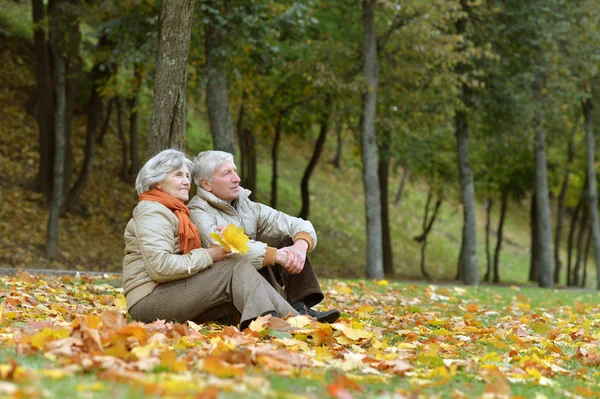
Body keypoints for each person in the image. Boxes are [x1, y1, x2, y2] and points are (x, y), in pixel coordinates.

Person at [122, 149, 299, 330]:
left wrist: (219, 243)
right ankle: (277, 325)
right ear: (158, 182)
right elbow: (160, 267)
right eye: (178, 175)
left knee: (240, 272)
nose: (186, 181)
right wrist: (209, 255)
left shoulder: (175, 212)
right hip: (148, 301)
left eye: (187, 175)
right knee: (234, 267)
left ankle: (293, 320)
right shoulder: (153, 211)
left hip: (169, 291)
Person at [188, 150, 340, 324]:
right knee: (249, 259)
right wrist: (278, 256)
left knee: (289, 239)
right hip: (227, 290)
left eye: (235, 171)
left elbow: (295, 224)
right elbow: (230, 251)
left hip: (254, 277)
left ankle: (300, 308)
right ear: (206, 184)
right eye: (226, 173)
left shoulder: (247, 207)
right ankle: (284, 315)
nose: (236, 178)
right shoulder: (198, 212)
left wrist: (300, 246)